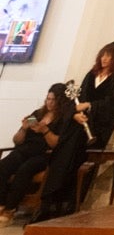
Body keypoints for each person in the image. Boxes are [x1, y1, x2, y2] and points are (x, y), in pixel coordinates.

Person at [32, 40, 114, 220]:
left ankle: (67, 205)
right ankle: (48, 203)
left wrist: (90, 105)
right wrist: (75, 115)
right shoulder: (90, 75)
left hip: (95, 130)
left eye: (109, 55)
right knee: (63, 155)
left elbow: (112, 105)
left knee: (77, 158)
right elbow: (75, 101)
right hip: (77, 126)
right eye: (103, 54)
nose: (104, 59)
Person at [0, 83, 77, 224]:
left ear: (61, 101)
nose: (50, 103)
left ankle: (10, 209)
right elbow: (17, 140)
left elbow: (56, 144)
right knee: (4, 165)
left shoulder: (63, 119)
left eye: (53, 100)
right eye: (48, 99)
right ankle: (1, 203)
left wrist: (44, 130)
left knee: (25, 169)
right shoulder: (36, 114)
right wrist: (23, 129)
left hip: (43, 154)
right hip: (25, 149)